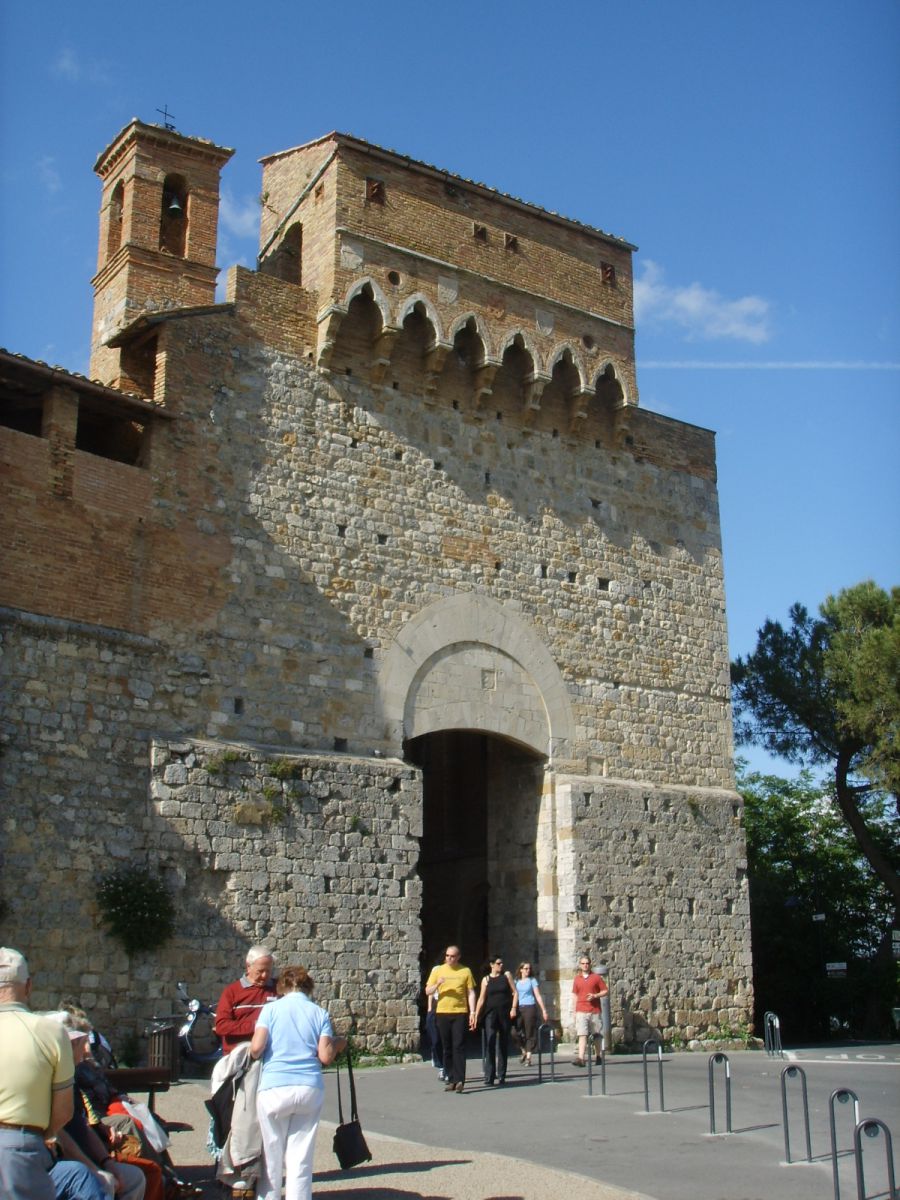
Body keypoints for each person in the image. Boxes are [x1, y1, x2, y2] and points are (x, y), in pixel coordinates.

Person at [249, 965, 346, 1200]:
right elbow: (324, 1056)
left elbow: (256, 1048)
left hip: (275, 1086)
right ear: (308, 987)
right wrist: (338, 1043)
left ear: (282, 986)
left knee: (271, 1153)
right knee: (300, 1155)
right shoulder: (319, 1013)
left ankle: (269, 1197)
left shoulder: (270, 1010)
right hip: (308, 1087)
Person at [0, 947, 75, 1200]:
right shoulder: (51, 1032)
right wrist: (44, 1134)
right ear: (28, 986)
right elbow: (64, 1109)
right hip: (19, 1148)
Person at [47, 1015, 146, 1200]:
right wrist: (96, 1171)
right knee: (100, 1183)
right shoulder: (53, 1080)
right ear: (70, 1044)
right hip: (63, 1162)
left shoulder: (71, 1076)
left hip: (85, 1157)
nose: (87, 1050)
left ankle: (170, 1182)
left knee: (135, 1178)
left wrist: (106, 1162)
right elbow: (60, 1135)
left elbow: (82, 1126)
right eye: (83, 1042)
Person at [424, 946, 476, 1094]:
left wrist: (472, 1012)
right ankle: (451, 1078)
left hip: (460, 1012)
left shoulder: (465, 971)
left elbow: (471, 992)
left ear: (458, 957)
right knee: (446, 1047)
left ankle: (460, 1080)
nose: (449, 958)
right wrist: (438, 984)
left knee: (458, 1045)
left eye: (452, 956)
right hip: (442, 1012)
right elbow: (428, 991)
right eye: (447, 956)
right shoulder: (438, 970)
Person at [214, 945, 277, 1054]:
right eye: (260, 971)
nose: (264, 975)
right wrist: (257, 1025)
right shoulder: (232, 992)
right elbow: (222, 1026)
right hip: (239, 1057)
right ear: (248, 966)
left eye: (268, 971)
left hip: (270, 1056)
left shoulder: (278, 989)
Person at [473, 956, 517, 1085]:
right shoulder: (486, 980)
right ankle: (489, 1075)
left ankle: (502, 1074)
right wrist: (475, 1013)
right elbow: (481, 998)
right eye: (498, 963)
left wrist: (513, 1008)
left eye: (502, 963)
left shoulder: (506, 976)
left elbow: (515, 992)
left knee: (503, 1043)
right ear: (492, 965)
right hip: (490, 1013)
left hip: (504, 1013)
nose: (501, 965)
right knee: (490, 1041)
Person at [572, 952, 608, 1067]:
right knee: (582, 1034)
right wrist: (574, 1011)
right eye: (583, 963)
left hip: (594, 1010)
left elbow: (605, 991)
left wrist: (595, 996)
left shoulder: (596, 978)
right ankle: (581, 1058)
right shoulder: (577, 979)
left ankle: (598, 1056)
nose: (585, 965)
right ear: (580, 965)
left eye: (587, 963)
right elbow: (575, 995)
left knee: (596, 1034)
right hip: (581, 1010)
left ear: (590, 964)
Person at [514, 962, 549, 1067]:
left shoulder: (532, 981)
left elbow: (537, 995)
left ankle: (528, 1057)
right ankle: (523, 1049)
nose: (527, 970)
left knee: (530, 1032)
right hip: (519, 1007)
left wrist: (544, 1010)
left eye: (529, 969)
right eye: (525, 969)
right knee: (514, 1031)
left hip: (530, 1006)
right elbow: (514, 995)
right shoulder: (516, 981)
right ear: (521, 970)